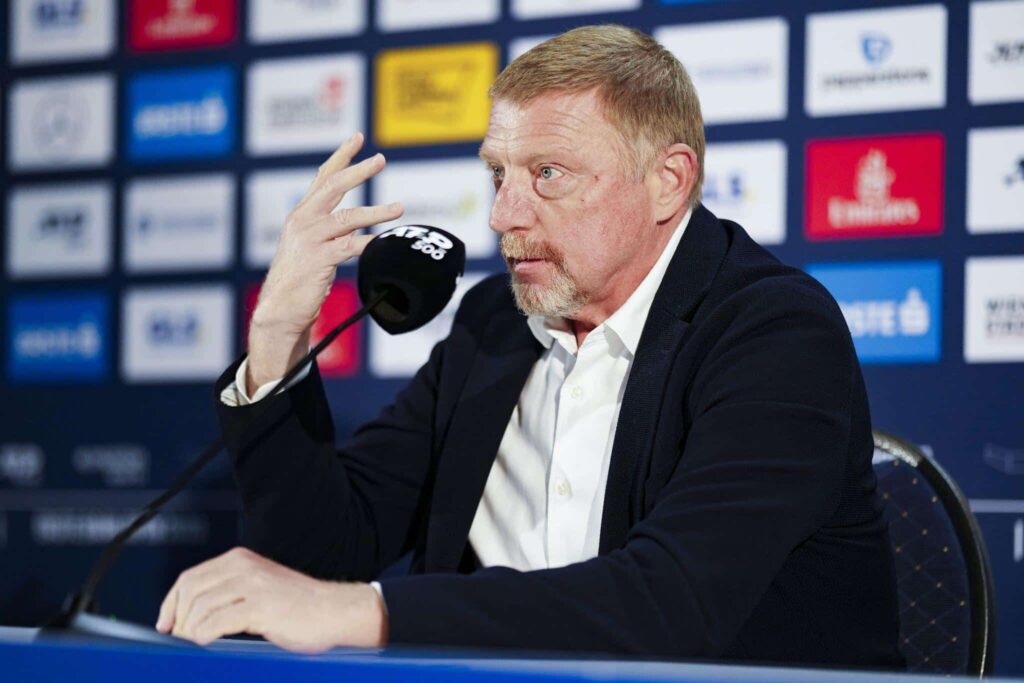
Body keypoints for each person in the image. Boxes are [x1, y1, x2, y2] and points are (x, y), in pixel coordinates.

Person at [155, 25, 903, 667]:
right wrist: (277, 335)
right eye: (498, 173)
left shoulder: (774, 330)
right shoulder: (494, 324)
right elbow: (325, 553)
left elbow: (671, 604)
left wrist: (367, 613)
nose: (503, 215)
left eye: (548, 173)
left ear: (668, 182)